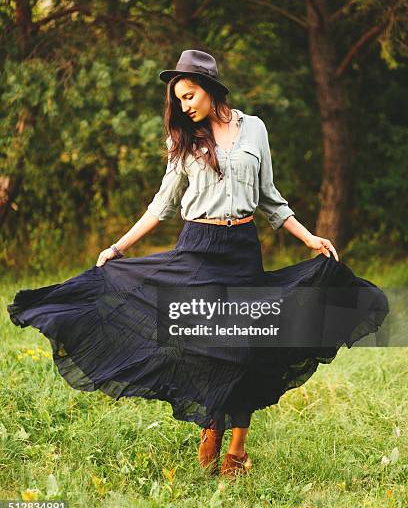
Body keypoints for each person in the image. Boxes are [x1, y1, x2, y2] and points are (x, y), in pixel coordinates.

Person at [8, 50, 389, 479]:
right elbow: (162, 204)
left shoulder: (255, 130)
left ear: (209, 89)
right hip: (197, 249)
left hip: (242, 248)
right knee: (208, 345)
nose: (184, 106)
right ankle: (211, 429)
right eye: (179, 101)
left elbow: (270, 199)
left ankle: (237, 452)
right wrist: (118, 246)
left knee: (248, 348)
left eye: (189, 96)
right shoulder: (183, 140)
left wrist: (309, 237)